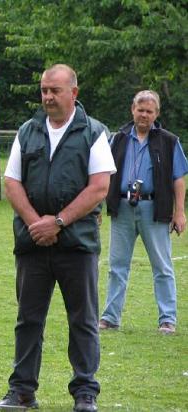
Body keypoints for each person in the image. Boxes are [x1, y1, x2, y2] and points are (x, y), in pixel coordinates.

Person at [0, 64, 116, 412]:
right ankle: (21, 391)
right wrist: (37, 224)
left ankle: (84, 392)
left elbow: (99, 187)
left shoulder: (93, 132)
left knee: (82, 320)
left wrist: (60, 222)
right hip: (32, 243)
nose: (48, 96)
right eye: (44, 90)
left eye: (55, 90)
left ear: (73, 93)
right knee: (28, 320)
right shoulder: (27, 130)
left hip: (77, 245)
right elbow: (12, 182)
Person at [99, 90, 188, 335]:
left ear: (156, 114)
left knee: (162, 266)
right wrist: (97, 206)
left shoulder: (169, 141)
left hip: (154, 209)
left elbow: (179, 178)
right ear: (133, 110)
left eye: (149, 111)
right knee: (117, 266)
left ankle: (167, 319)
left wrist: (179, 212)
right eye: (140, 110)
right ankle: (110, 317)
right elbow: (102, 174)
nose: (144, 115)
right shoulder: (117, 139)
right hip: (123, 208)